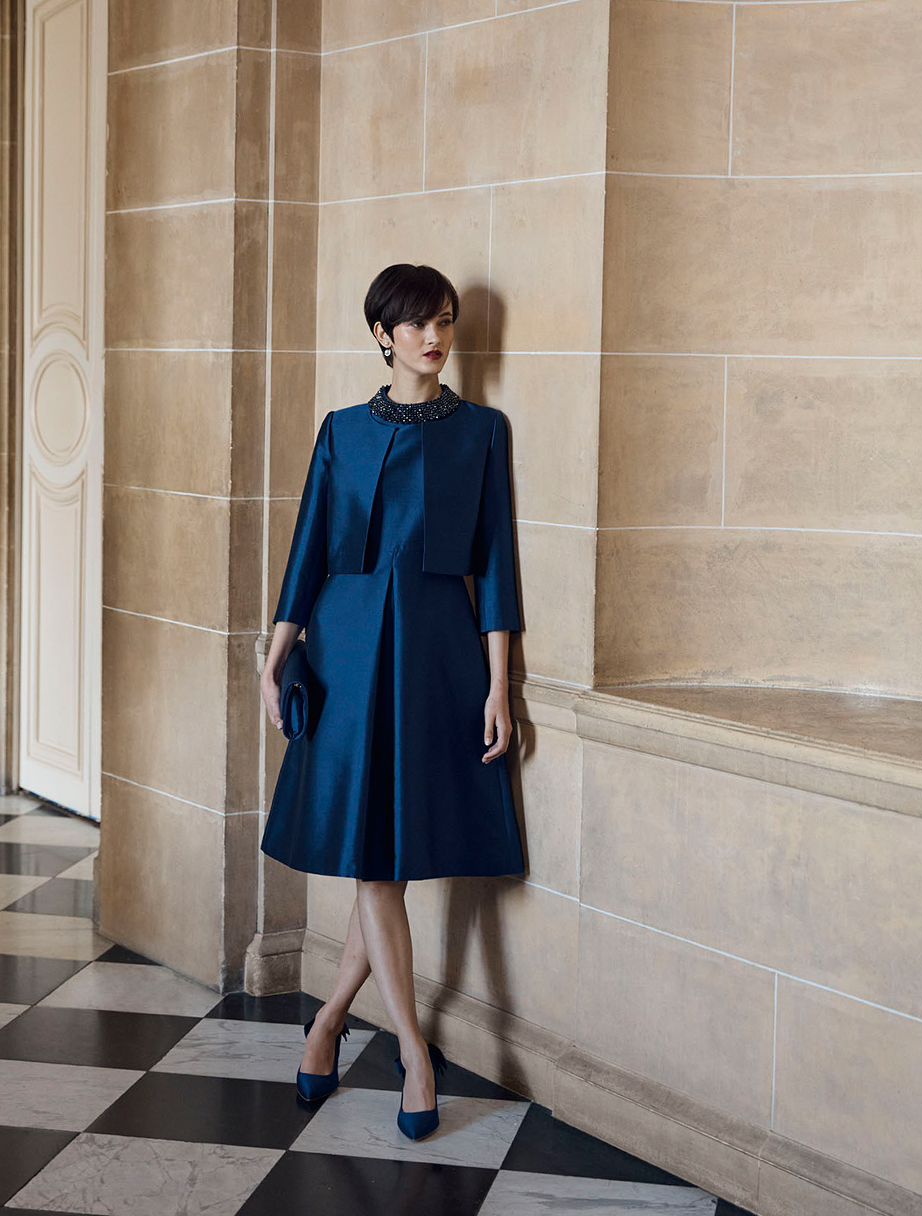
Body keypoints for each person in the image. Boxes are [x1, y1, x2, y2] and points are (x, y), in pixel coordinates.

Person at [259, 263, 525, 1140]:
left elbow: (497, 565)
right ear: (382, 334)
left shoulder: (483, 432)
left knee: (389, 861)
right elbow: (306, 552)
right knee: (377, 864)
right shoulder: (339, 430)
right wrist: (275, 658)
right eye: (415, 323)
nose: (433, 336)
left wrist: (499, 683)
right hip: (349, 652)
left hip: (440, 655)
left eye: (443, 321)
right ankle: (412, 1047)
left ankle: (330, 1020)